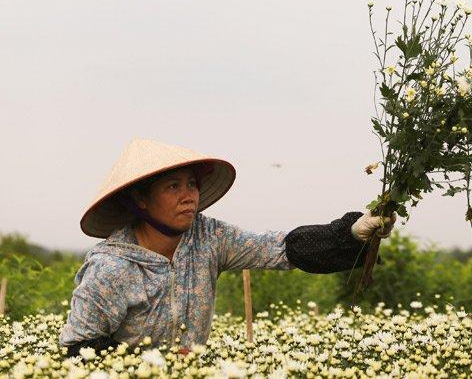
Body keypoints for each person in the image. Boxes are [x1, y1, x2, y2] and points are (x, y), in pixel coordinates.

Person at [59, 138, 395, 357]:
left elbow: (280, 248)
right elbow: (79, 349)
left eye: (192, 184)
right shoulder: (112, 268)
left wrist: (351, 232)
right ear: (141, 200)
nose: (188, 195)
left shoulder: (209, 238)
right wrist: (151, 363)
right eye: (173, 186)